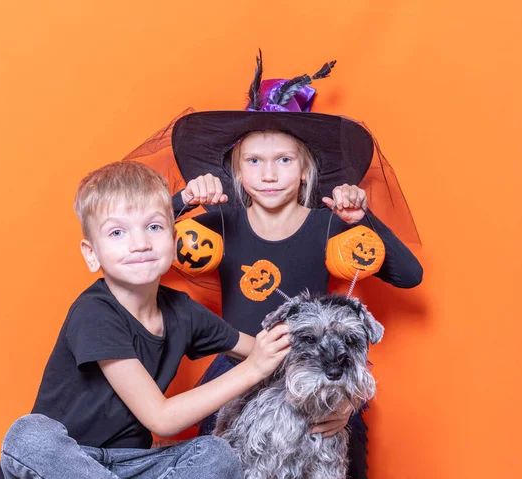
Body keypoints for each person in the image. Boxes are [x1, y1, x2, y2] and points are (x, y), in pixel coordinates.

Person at [163, 54, 423, 479]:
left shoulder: (327, 225)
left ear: (305, 171)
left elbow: (409, 276)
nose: (269, 174)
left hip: (318, 364)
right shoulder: (220, 220)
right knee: (214, 459)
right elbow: (134, 249)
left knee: (345, 443)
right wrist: (183, 202)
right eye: (254, 161)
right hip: (239, 368)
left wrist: (363, 219)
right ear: (236, 171)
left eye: (284, 160)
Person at [0, 161, 290, 479]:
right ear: (91, 253)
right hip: (65, 464)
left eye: (154, 227)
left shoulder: (183, 311)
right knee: (29, 435)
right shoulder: (94, 313)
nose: (140, 243)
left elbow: (269, 353)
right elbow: (161, 419)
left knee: (215, 453)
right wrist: (253, 369)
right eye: (117, 232)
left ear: (174, 238)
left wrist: (336, 404)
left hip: (133, 465)